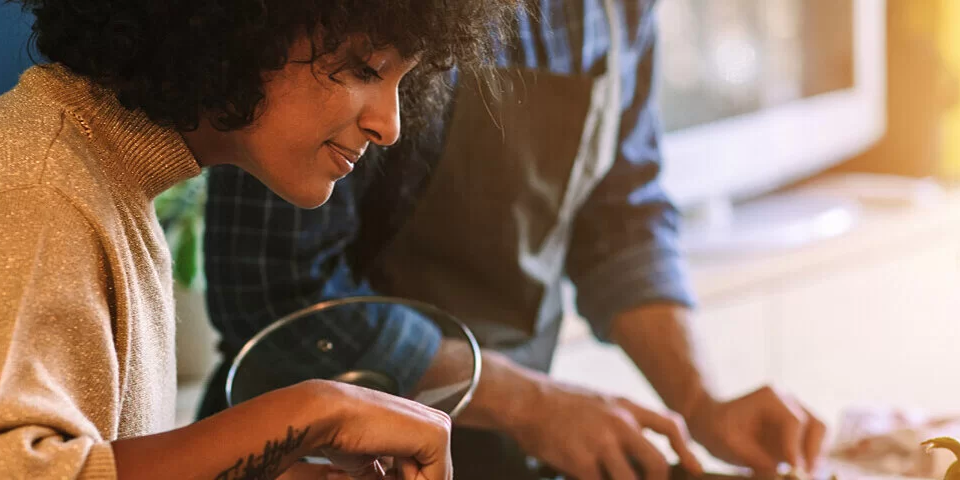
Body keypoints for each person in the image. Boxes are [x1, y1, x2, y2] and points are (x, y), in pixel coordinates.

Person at [0, 0, 515, 478]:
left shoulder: (102, 176)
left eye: (401, 82)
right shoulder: (36, 193)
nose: (390, 122)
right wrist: (310, 411)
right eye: (363, 70)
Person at [201, 0, 828, 479]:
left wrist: (701, 401)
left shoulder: (618, 12)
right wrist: (529, 405)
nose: (386, 122)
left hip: (503, 449)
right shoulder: (343, 31)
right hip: (316, 461)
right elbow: (278, 290)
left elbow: (621, 218)